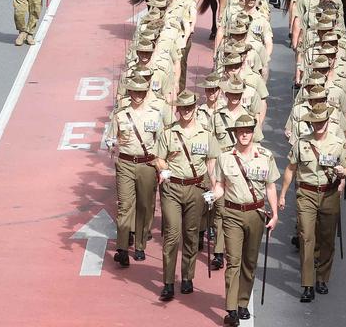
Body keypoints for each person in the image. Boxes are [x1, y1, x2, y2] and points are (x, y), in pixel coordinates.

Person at [211, 114, 279, 327]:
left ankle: (242, 303)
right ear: (235, 133)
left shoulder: (265, 156)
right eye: (240, 131)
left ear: (253, 132)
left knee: (249, 262)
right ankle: (231, 310)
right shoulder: (225, 157)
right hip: (232, 214)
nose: (244, 135)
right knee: (233, 262)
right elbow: (220, 185)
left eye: (248, 130)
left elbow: (270, 187)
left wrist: (275, 214)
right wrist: (213, 195)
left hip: (256, 214)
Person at [280, 106, 346, 302]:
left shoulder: (337, 144)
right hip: (307, 195)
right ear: (311, 123)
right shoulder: (302, 144)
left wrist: (341, 173)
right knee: (306, 237)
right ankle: (307, 284)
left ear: (328, 122)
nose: (319, 125)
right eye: (315, 122)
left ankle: (322, 278)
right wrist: (283, 194)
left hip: (329, 194)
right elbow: (290, 168)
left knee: (327, 238)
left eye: (322, 122)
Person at [158, 91, 219, 301]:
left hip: (196, 188)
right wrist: (163, 169)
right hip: (172, 188)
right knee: (172, 234)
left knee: (192, 234)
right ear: (177, 110)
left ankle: (187, 277)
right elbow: (159, 158)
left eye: (189, 108)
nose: (186, 112)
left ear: (195, 108)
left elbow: (211, 162)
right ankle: (167, 282)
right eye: (182, 108)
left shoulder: (206, 134)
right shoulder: (168, 133)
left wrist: (214, 186)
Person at [107, 73, 168, 267]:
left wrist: (162, 166)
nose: (138, 95)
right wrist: (115, 142)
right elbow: (109, 140)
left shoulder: (154, 115)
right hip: (125, 163)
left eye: (142, 92)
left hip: (147, 165)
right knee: (125, 206)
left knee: (144, 205)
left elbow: (162, 143)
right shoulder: (120, 114)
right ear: (130, 91)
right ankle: (122, 248)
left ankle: (140, 245)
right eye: (135, 91)